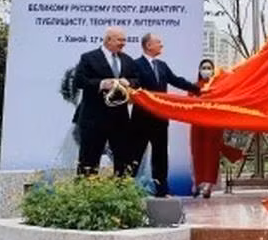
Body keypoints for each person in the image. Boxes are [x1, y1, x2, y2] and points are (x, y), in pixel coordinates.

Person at [131, 33, 199, 197]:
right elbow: (133, 86)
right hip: (141, 120)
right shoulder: (135, 65)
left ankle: (162, 189)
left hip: (160, 119)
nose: (161, 45)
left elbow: (176, 80)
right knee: (135, 155)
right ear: (148, 45)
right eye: (158, 42)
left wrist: (198, 89)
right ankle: (127, 189)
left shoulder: (161, 65)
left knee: (160, 155)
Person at [73, 27, 139, 177]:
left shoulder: (127, 60)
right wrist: (102, 84)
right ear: (108, 40)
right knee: (89, 160)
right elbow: (79, 81)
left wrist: (129, 82)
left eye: (124, 40)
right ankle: (86, 188)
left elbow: (137, 80)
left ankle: (122, 188)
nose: (123, 43)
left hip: (120, 119)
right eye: (120, 40)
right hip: (94, 118)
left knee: (123, 160)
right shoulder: (88, 58)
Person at [189, 59, 243, 198]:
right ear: (199, 70)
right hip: (197, 124)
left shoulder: (218, 86)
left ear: (213, 70)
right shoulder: (194, 86)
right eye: (204, 67)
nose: (206, 70)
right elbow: (189, 103)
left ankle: (208, 185)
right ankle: (197, 183)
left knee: (212, 154)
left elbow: (223, 102)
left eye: (209, 68)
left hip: (213, 125)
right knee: (197, 153)